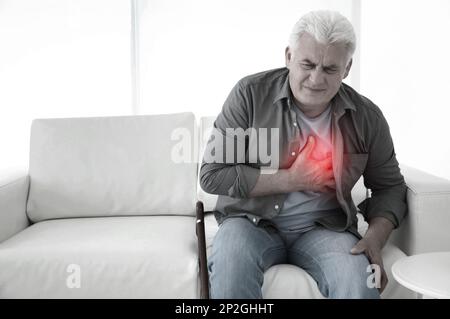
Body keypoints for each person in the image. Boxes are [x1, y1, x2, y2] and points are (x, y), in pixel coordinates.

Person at [199, 10, 407, 299]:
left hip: (325, 228)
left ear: (346, 69)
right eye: (307, 64)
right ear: (288, 57)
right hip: (249, 222)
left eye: (330, 69)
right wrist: (291, 179)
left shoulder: (366, 117)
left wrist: (375, 237)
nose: (316, 79)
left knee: (358, 280)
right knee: (231, 262)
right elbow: (212, 175)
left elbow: (390, 187)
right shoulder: (249, 94)